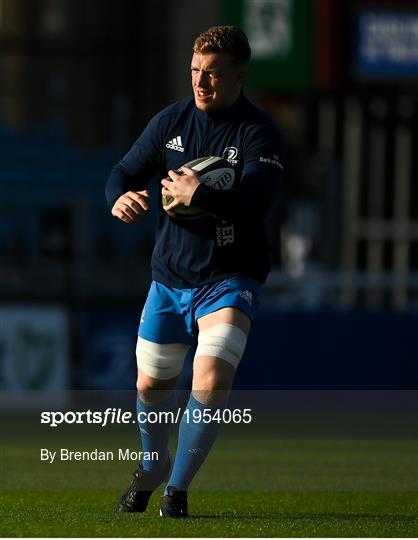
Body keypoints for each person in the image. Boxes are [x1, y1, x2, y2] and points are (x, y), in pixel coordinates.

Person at [105, 25, 283, 518]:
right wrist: (118, 198)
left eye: (212, 73)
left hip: (230, 279)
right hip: (168, 281)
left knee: (208, 383)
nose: (200, 82)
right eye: (194, 71)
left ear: (239, 76)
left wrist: (198, 195)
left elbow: (258, 202)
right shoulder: (171, 121)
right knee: (149, 389)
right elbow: (122, 172)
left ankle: (175, 492)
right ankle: (151, 466)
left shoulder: (257, 133)